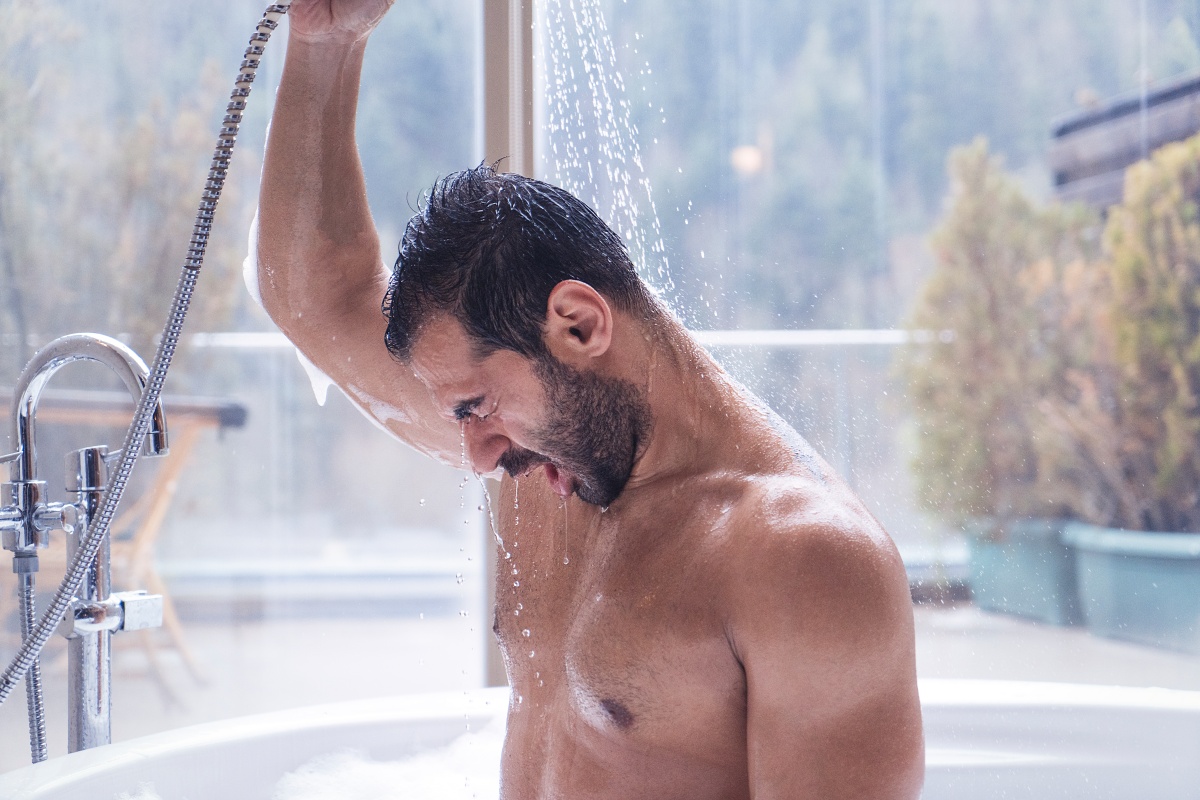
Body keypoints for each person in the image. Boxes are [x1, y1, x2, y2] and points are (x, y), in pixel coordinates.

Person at [257, 1, 924, 797]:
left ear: (578, 324)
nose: (474, 452)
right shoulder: (547, 459)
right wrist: (327, 40)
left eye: (473, 407)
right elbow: (318, 300)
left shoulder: (799, 562)